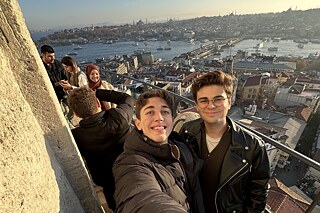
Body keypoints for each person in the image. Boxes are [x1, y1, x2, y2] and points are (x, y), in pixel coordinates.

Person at [179, 70, 270, 213]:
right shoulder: (187, 132)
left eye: (218, 99)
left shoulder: (253, 146)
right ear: (197, 105)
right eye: (204, 100)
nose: (211, 106)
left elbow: (258, 193)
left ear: (229, 102)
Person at [113, 89, 204, 213]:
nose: (159, 118)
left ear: (172, 119)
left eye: (165, 111)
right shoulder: (130, 163)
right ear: (138, 124)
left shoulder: (181, 146)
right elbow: (141, 198)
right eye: (150, 112)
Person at [67, 86, 135, 211]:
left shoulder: (76, 136)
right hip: (133, 175)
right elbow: (127, 98)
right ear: (98, 102)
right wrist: (97, 92)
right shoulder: (118, 117)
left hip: (109, 186)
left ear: (76, 113)